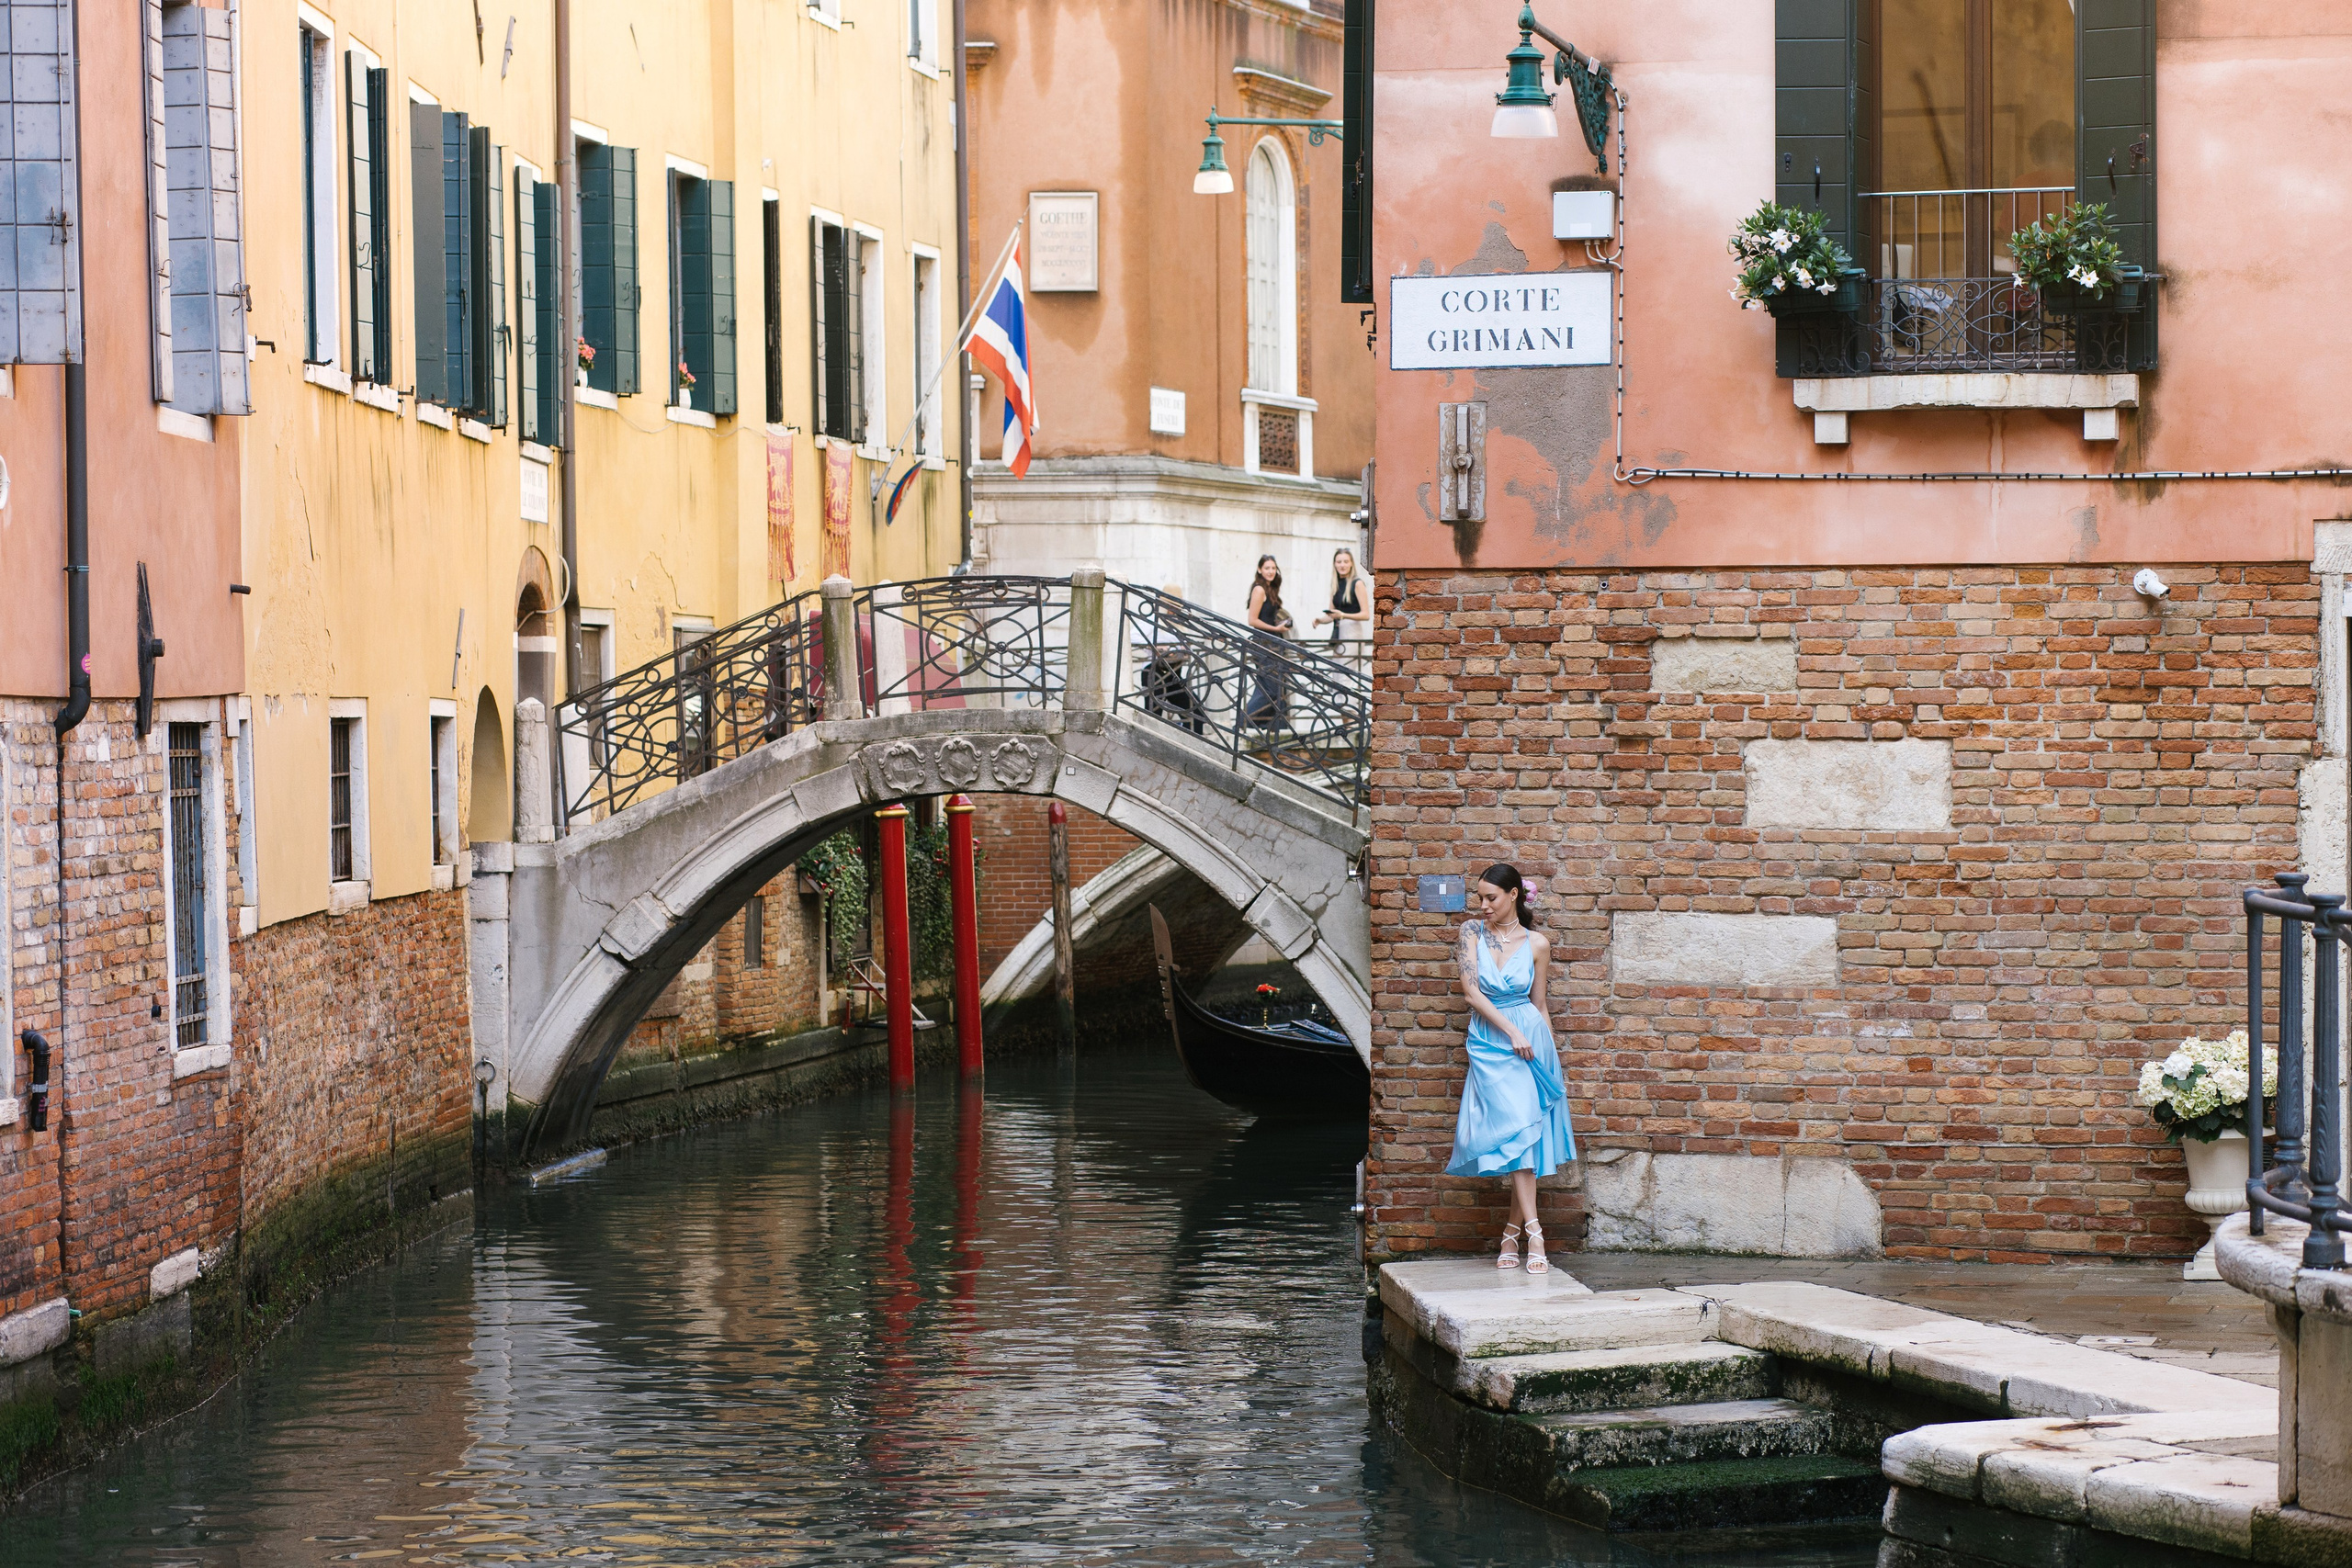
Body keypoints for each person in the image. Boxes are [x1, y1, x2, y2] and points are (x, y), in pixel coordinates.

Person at [1444, 863, 1576, 1273]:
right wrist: (1510, 1033)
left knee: (1526, 1138)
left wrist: (1547, 1052)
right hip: (1491, 1041)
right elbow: (1471, 993)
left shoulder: (1538, 944)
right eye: (1479, 897)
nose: (1482, 905)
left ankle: (1511, 1232)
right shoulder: (1470, 933)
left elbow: (1539, 1004)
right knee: (1517, 1127)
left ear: (1514, 895)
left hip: (1530, 1042)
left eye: (1491, 898)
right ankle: (1535, 1233)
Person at [1140, 581, 1204, 736]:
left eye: (1177, 603)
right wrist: (1155, 648)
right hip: (1154, 672)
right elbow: (1135, 637)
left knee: (1197, 713)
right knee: (1154, 717)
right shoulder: (1154, 619)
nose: (1174, 607)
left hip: (1174, 675)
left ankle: (1189, 744)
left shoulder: (1181, 623)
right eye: (1171, 603)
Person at [1242, 554, 1292, 734]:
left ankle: (1277, 729)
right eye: (1267, 568)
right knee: (1271, 690)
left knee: (1274, 689)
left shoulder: (1270, 588)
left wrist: (1280, 626)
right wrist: (1275, 629)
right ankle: (1240, 725)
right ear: (1259, 570)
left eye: (1273, 568)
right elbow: (1252, 620)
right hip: (1263, 644)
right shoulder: (1259, 590)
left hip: (1272, 644)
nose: (1271, 571)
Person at [1310, 547, 1373, 662]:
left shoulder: (1357, 583)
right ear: (1334, 564)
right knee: (1337, 674)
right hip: (1338, 633)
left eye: (1346, 561)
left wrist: (1343, 615)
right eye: (1339, 562)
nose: (1342, 565)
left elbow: (1366, 615)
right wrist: (1319, 620)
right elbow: (1332, 614)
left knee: (1345, 677)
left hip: (1352, 632)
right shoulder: (1335, 584)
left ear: (1351, 564)